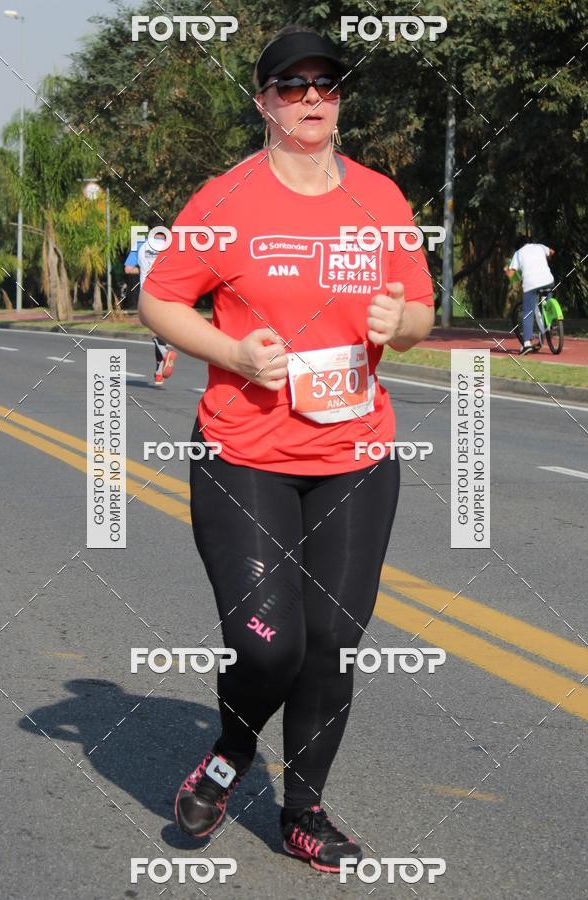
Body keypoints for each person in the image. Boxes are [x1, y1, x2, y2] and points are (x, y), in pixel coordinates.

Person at [138, 24, 435, 873]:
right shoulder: (226, 199)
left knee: (334, 641)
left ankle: (304, 811)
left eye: (326, 85)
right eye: (293, 85)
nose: (312, 98)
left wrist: (401, 326)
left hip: (357, 458)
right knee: (272, 644)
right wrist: (230, 354)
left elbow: (418, 309)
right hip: (245, 456)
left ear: (339, 99)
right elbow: (160, 300)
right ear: (264, 101)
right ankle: (230, 755)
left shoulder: (379, 199)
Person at [124, 219, 177, 384]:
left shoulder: (140, 243)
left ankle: (166, 353)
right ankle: (158, 371)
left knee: (152, 328)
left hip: (149, 292)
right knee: (161, 329)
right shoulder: (173, 244)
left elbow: (128, 269)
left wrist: (144, 268)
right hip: (170, 290)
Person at [504, 235, 555, 355]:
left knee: (528, 312)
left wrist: (506, 269)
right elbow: (552, 252)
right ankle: (550, 324)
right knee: (547, 300)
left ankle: (527, 344)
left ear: (517, 246)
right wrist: (547, 259)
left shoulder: (518, 253)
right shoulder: (540, 246)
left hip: (531, 285)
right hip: (548, 280)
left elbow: (511, 275)